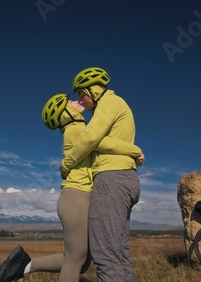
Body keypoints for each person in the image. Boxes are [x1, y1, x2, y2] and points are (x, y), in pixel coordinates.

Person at [0, 93, 143, 282]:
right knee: (75, 260)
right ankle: (24, 266)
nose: (77, 101)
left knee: (83, 259)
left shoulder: (77, 129)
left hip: (79, 197)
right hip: (77, 197)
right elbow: (106, 143)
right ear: (65, 113)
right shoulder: (78, 131)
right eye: (70, 102)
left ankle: (24, 265)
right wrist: (135, 151)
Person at [60, 67, 143, 282]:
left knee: (104, 253)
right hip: (125, 178)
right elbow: (102, 142)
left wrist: (66, 165)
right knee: (119, 252)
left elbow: (89, 139)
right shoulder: (115, 104)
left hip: (111, 179)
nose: (83, 101)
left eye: (82, 95)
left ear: (93, 90)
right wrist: (133, 151)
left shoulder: (109, 103)